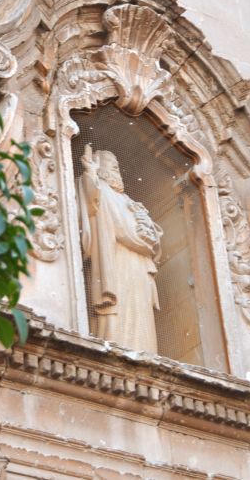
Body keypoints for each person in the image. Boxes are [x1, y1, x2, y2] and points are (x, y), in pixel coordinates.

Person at [78, 144, 163, 352]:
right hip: (114, 262)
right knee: (118, 311)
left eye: (117, 167)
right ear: (100, 168)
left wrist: (148, 239)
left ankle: (144, 352)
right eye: (112, 166)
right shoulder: (101, 189)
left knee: (140, 314)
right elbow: (91, 200)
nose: (117, 170)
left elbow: (151, 236)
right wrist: (89, 172)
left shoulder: (129, 201)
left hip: (137, 268)